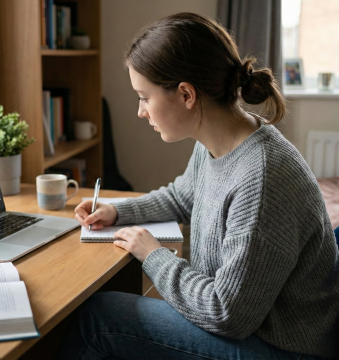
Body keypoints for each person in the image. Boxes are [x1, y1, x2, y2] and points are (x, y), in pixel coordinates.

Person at [54, 13, 339, 360]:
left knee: (96, 318)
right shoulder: (220, 138)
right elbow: (182, 196)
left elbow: (226, 313)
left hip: (281, 347)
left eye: (145, 97)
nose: (140, 111)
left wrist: (153, 254)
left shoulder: (260, 179)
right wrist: (117, 211)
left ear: (186, 94)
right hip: (254, 326)